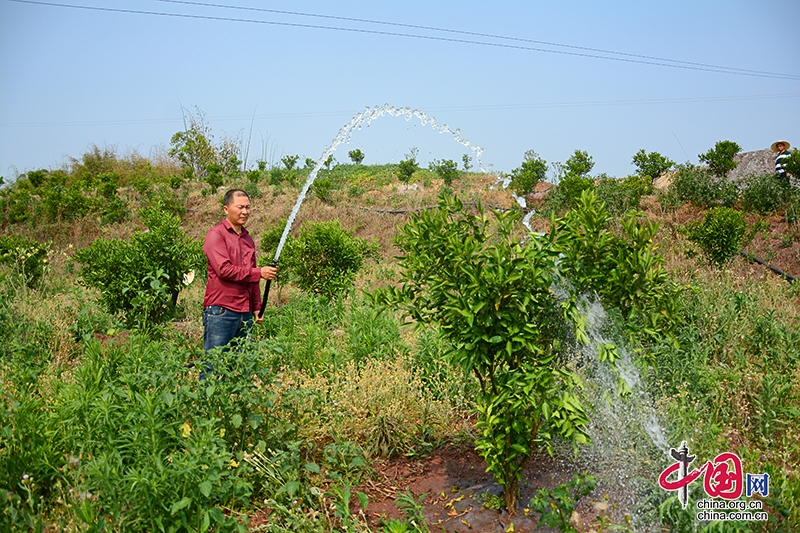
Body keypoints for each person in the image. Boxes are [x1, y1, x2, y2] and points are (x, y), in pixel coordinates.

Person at [202, 189, 277, 354]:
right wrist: (259, 273)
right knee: (213, 367)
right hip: (221, 311)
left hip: (245, 313)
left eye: (248, 207)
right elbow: (224, 270)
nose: (245, 212)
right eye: (240, 207)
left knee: (241, 366)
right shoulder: (216, 235)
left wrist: (257, 306)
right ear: (226, 210)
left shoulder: (248, 239)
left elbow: (251, 277)